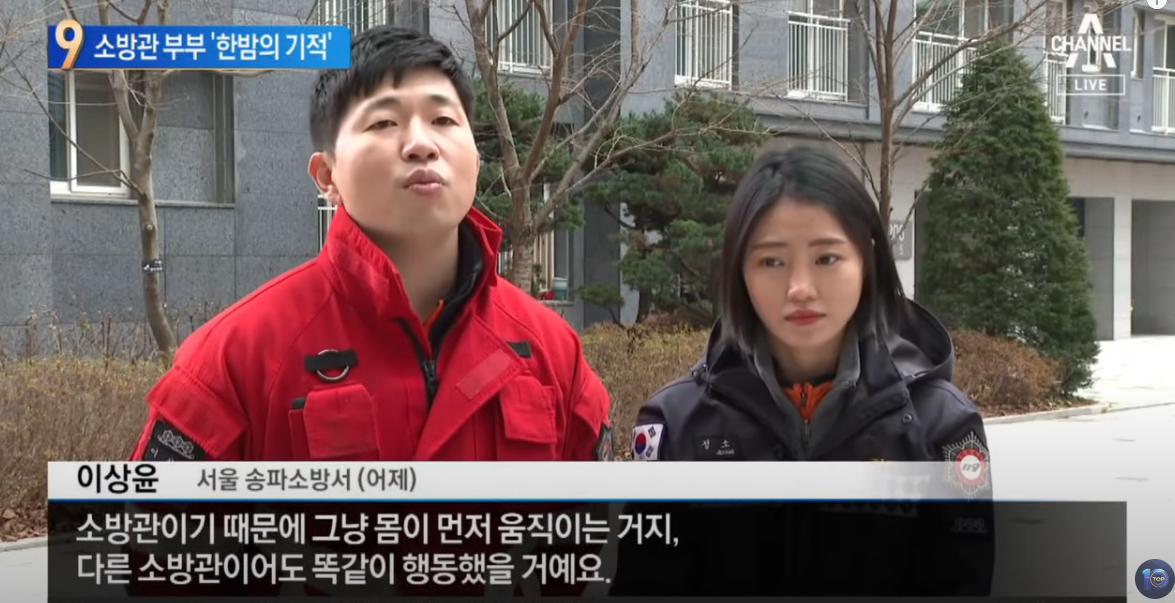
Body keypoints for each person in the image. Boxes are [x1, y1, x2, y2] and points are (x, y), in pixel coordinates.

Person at [128, 25, 613, 464]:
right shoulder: (238, 358)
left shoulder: (553, 352)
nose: (422, 144)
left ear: (476, 160)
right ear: (327, 175)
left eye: (444, 120)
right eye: (384, 123)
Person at [610, 146, 994, 596]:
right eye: (771, 261)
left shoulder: (944, 428)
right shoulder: (675, 426)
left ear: (867, 259)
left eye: (826, 258)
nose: (799, 288)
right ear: (740, 271)